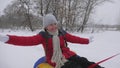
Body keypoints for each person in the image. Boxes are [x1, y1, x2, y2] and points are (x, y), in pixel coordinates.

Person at [0, 13, 103, 68]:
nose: (53, 26)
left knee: (85, 62)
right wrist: (8, 39)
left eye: (54, 24)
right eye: (50, 24)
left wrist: (87, 41)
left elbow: (74, 38)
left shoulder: (61, 32)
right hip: (56, 60)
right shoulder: (43, 36)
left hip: (69, 54)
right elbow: (26, 41)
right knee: (75, 67)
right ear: (46, 26)